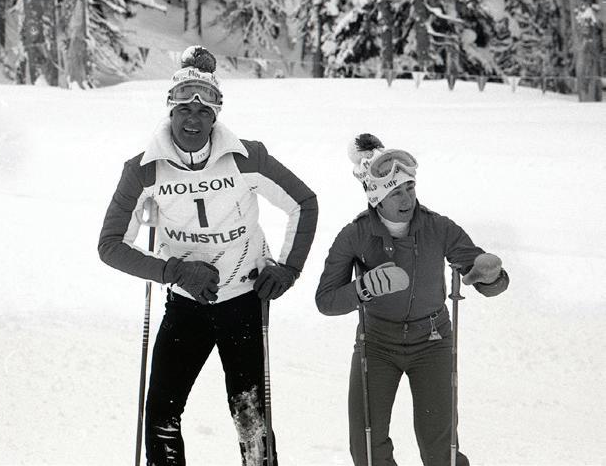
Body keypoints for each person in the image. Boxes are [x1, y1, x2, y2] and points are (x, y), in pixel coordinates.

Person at [98, 45, 318, 466]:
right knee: (160, 416)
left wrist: (288, 268)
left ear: (216, 115)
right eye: (184, 108)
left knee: (251, 418)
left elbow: (304, 203)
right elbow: (110, 245)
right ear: (170, 110)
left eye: (204, 110)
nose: (193, 119)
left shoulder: (248, 157)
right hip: (186, 305)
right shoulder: (143, 169)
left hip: (243, 302)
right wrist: (175, 272)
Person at [315, 133, 509, 466]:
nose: (406, 199)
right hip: (377, 343)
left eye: (410, 188)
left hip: (432, 341)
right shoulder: (355, 234)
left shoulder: (438, 227)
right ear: (377, 198)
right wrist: (363, 287)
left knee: (440, 448)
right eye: (395, 192)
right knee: (366, 445)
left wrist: (491, 276)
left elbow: (481, 272)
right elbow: (326, 300)